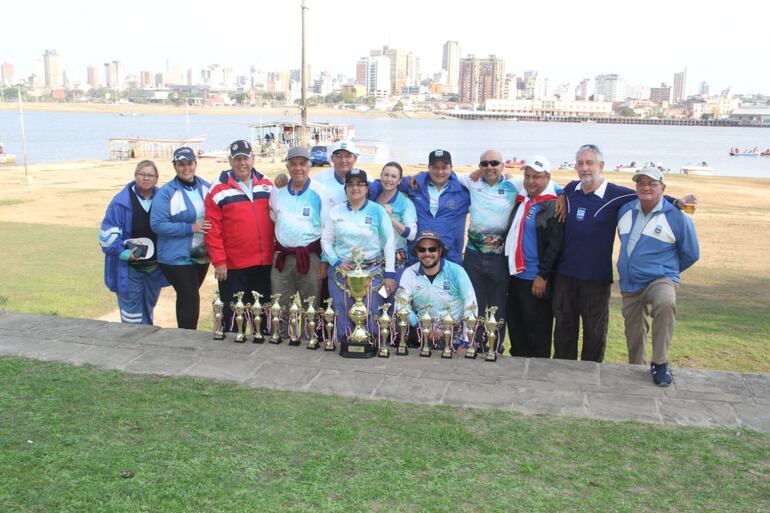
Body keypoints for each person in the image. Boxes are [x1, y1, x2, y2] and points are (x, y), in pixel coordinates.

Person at [553, 144, 694, 362]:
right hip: (565, 275)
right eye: (580, 163)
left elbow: (648, 194)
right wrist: (561, 194)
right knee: (564, 333)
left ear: (601, 165)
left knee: (594, 336)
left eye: (590, 163)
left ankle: (592, 375)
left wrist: (676, 201)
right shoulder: (571, 189)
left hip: (596, 278)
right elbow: (559, 187)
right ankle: (562, 375)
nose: (584, 168)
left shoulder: (617, 195)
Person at [617, 167, 699, 386]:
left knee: (665, 302)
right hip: (630, 282)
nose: (646, 187)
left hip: (659, 279)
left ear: (662, 188)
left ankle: (660, 362)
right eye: (641, 183)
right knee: (634, 332)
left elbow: (691, 253)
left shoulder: (676, 217)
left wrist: (666, 270)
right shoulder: (625, 209)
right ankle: (637, 368)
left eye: (652, 183)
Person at [205, 140, 275, 332]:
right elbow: (212, 229)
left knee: (262, 317)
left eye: (245, 158)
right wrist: (219, 261)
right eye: (237, 159)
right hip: (233, 266)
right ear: (230, 161)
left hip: (264, 263)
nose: (242, 163)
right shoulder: (218, 189)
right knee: (234, 319)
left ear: (253, 159)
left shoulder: (267, 184)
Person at [321, 169, 397, 341]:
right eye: (351, 184)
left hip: (372, 271)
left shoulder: (378, 211)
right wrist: (336, 262)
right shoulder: (336, 211)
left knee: (372, 308)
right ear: (346, 189)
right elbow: (326, 240)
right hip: (342, 271)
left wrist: (389, 274)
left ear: (367, 188)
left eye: (360, 184)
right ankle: (345, 342)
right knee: (341, 308)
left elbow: (388, 243)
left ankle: (369, 342)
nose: (355, 188)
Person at [504, 156, 563, 358]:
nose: (531, 181)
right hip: (515, 275)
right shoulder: (523, 198)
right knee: (517, 329)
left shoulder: (553, 205)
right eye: (527, 176)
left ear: (547, 178)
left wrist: (543, 275)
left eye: (536, 177)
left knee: (537, 333)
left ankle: (537, 371)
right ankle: (517, 369)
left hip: (535, 278)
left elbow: (555, 245)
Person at [370, 149, 470, 264]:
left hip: (449, 256)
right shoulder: (415, 184)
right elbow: (388, 182)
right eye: (435, 167)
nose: (440, 172)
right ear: (428, 168)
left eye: (444, 167)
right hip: (418, 255)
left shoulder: (463, 191)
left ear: (451, 168)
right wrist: (370, 194)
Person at [99, 160, 168, 324]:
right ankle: (132, 340)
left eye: (150, 175)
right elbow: (107, 234)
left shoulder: (164, 199)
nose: (146, 178)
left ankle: (146, 340)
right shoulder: (120, 202)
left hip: (154, 269)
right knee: (132, 316)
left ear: (157, 178)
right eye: (142, 174)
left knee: (147, 310)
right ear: (135, 176)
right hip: (129, 268)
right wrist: (123, 252)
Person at [269, 146, 329, 329]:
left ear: (309, 165)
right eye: (293, 164)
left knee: (310, 306)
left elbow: (327, 228)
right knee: (279, 304)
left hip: (310, 257)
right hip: (283, 257)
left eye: (302, 164)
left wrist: (324, 260)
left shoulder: (319, 191)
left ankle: (308, 340)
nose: (298, 168)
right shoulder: (278, 189)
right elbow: (275, 217)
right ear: (287, 167)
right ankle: (280, 338)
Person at [151, 147, 211, 330]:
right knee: (190, 296)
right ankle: (188, 337)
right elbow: (157, 224)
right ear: (175, 166)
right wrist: (190, 228)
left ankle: (182, 335)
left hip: (201, 255)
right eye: (181, 164)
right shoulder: (167, 192)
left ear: (195, 164)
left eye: (189, 163)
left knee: (187, 297)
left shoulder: (206, 187)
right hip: (175, 256)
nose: (186, 168)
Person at [398, 231, 478, 348]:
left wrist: (466, 341)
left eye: (432, 249)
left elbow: (471, 303)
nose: (427, 253)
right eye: (422, 249)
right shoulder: (409, 273)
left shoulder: (457, 271)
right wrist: (422, 326)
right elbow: (400, 304)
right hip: (423, 330)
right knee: (396, 323)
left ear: (440, 251)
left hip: (454, 332)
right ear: (416, 252)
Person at [373, 161, 417, 285]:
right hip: (372, 258)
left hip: (396, 258)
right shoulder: (373, 198)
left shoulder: (405, 203)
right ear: (381, 176)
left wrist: (391, 218)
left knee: (391, 293)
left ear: (399, 181)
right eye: (386, 175)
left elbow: (412, 234)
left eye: (393, 176)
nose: (389, 179)